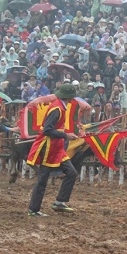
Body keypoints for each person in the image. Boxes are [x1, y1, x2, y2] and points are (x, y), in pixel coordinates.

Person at [27, 84, 80, 216]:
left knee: (71, 173)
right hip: (48, 148)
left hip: (57, 147)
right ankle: (34, 209)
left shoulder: (61, 106)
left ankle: (60, 202)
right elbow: (47, 130)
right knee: (42, 179)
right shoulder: (57, 108)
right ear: (70, 97)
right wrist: (66, 135)